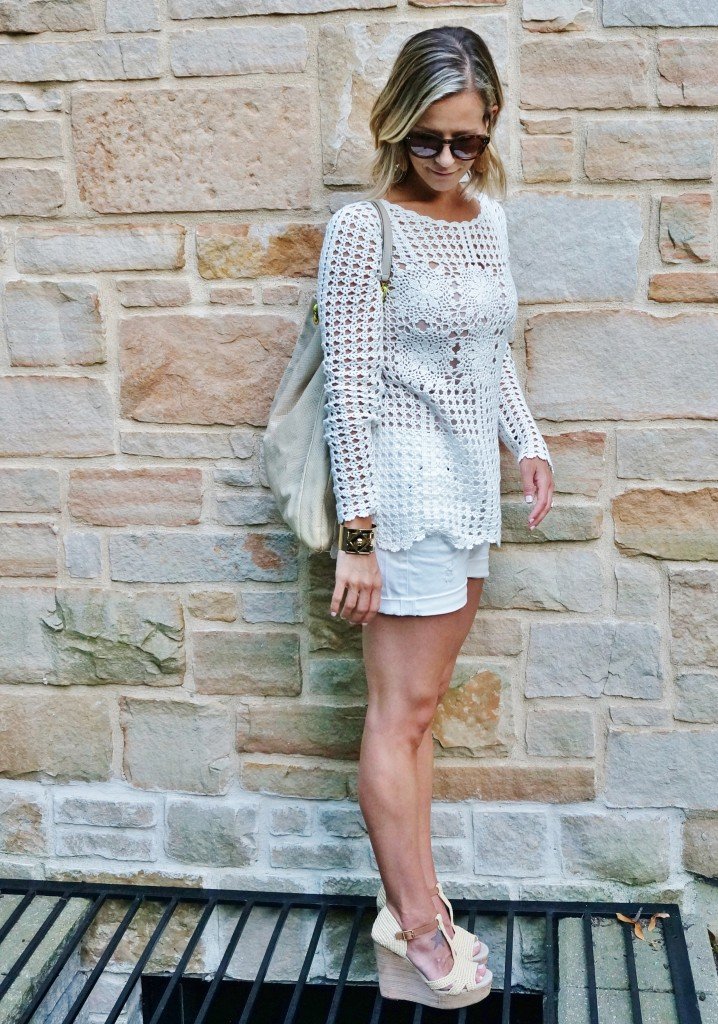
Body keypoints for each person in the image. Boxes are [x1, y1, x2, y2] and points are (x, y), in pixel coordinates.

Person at [315, 25, 555, 1010]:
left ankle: (416, 903)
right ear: (396, 127)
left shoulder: (487, 220)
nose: (447, 160)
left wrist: (527, 440)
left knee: (423, 716)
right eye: (428, 140)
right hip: (402, 497)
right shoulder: (362, 231)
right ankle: (416, 923)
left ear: (489, 126)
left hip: (466, 492)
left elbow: (494, 353)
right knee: (398, 710)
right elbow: (350, 390)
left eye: (466, 139)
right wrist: (358, 535)